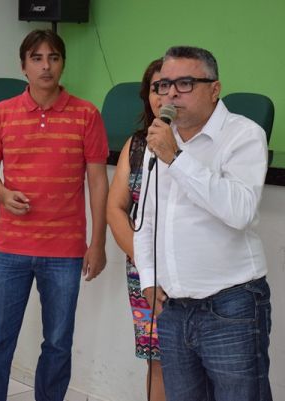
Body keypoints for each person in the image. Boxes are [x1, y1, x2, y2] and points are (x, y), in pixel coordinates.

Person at [0, 29, 109, 401]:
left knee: (58, 344)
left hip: (65, 251)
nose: (46, 66)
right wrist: (3, 193)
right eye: (36, 58)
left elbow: (98, 181)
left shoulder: (87, 114)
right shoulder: (1, 113)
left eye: (53, 58)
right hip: (8, 249)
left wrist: (97, 243)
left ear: (62, 63)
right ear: (23, 66)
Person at [134, 46, 272, 401]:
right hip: (173, 307)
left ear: (214, 89)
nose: (171, 94)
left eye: (184, 83)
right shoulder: (160, 139)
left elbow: (239, 211)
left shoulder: (243, 135)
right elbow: (146, 218)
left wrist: (176, 159)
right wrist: (147, 278)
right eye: (164, 85)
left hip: (231, 306)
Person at [106, 58, 166, 401]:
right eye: (157, 88)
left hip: (194, 277)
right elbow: (116, 208)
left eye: (173, 86)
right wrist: (147, 267)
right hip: (144, 274)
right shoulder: (138, 144)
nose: (164, 95)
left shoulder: (203, 145)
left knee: (195, 364)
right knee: (157, 362)